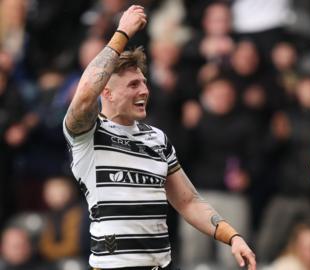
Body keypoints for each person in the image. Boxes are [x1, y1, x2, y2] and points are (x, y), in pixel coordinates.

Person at [62, 5, 256, 270]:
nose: (144, 90)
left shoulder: (157, 139)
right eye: (133, 85)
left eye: (144, 83)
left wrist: (231, 236)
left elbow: (188, 202)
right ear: (106, 93)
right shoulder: (88, 133)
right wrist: (122, 34)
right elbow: (85, 94)